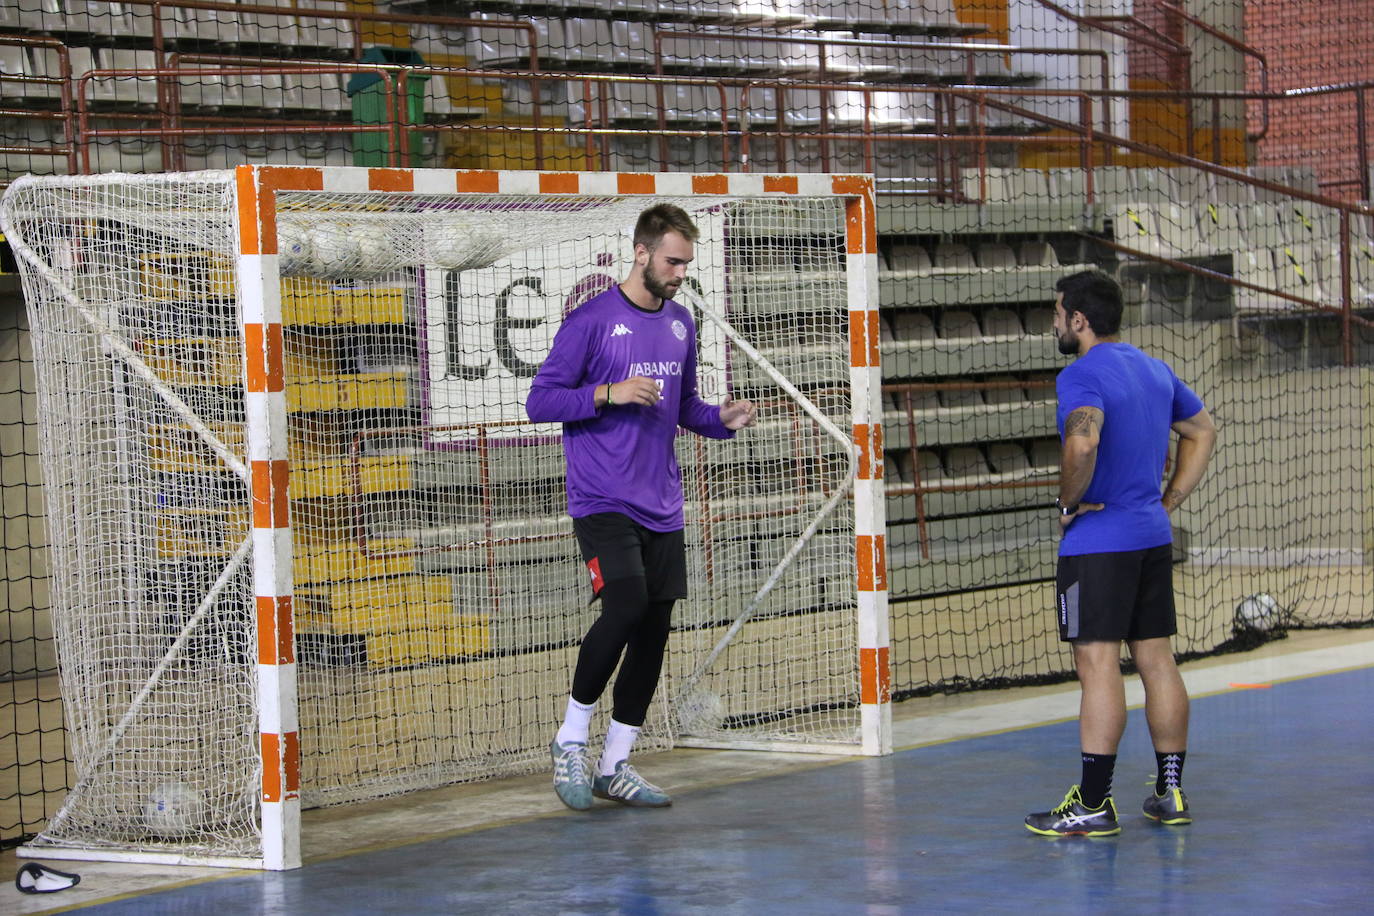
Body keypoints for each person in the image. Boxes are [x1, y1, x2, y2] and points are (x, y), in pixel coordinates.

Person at [526, 203, 758, 810]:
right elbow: (540, 401)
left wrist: (722, 421)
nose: (681, 272)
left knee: (654, 630)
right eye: (673, 260)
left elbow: (686, 409)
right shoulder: (591, 321)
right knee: (625, 606)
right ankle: (571, 738)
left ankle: (615, 763)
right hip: (601, 497)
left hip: (663, 503)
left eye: (687, 263)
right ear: (641, 252)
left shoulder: (681, 324)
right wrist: (608, 392)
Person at [1024, 270, 1217, 837]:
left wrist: (1066, 503)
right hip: (1152, 536)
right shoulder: (1154, 369)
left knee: (1097, 663)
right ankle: (1171, 791)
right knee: (1157, 659)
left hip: (1099, 544)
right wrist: (1170, 499)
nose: (1055, 321)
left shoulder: (1080, 375)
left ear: (1079, 320)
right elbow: (1202, 430)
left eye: (1059, 312)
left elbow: (1082, 442)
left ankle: (1092, 801)